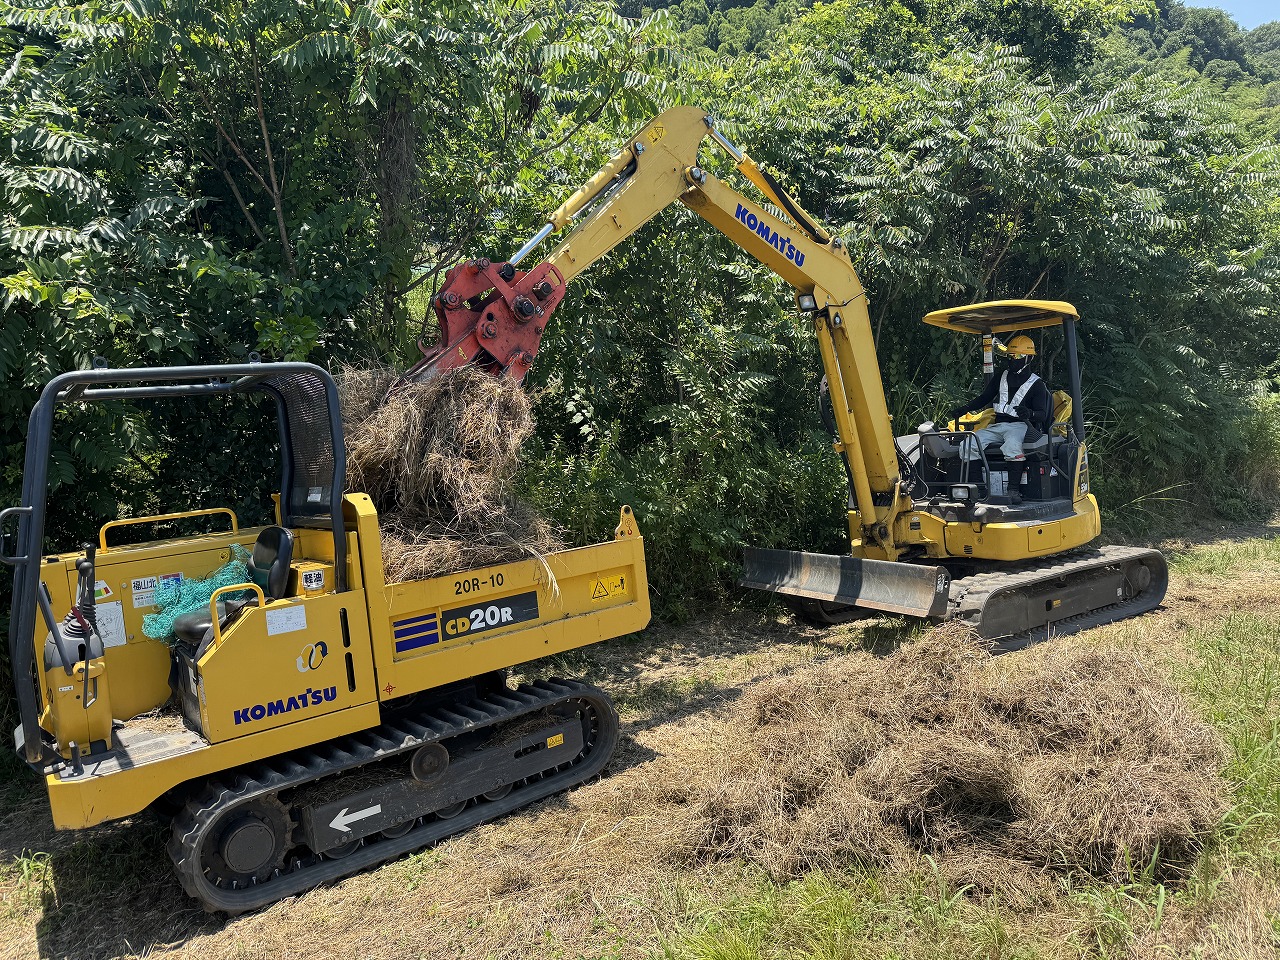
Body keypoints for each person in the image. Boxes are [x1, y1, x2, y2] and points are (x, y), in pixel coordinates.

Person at [948, 334, 1050, 502]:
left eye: (1018, 356)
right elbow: (984, 398)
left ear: (1029, 358)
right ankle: (978, 489)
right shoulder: (1001, 376)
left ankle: (1013, 490)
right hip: (998, 425)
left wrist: (1029, 414)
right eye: (1010, 355)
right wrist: (965, 409)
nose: (1012, 360)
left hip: (1021, 426)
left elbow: (1042, 414)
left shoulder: (1037, 384)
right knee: (968, 444)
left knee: (1012, 446)